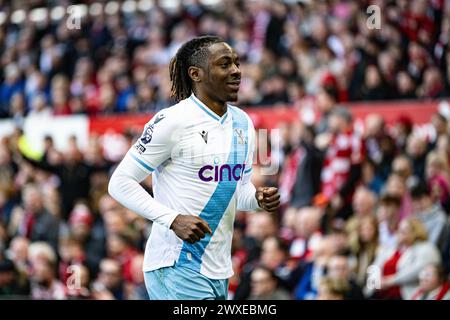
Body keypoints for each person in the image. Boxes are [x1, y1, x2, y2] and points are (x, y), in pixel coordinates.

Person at [108, 36, 280, 300]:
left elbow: (238, 192)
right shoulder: (171, 121)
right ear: (196, 74)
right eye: (224, 64)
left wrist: (256, 198)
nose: (236, 71)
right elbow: (119, 182)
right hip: (177, 264)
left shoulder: (243, 123)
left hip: (219, 268)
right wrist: (172, 220)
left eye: (236, 63)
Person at [366, 217, 441, 300]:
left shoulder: (425, 248)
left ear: (416, 231)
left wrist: (389, 281)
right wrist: (375, 281)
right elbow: (375, 266)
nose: (400, 232)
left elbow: (416, 271)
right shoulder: (390, 248)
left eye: (404, 230)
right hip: (379, 293)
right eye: (399, 229)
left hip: (404, 295)